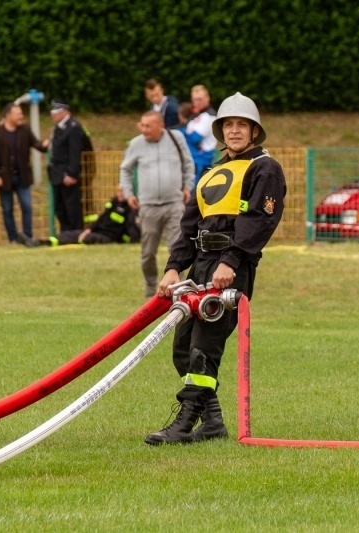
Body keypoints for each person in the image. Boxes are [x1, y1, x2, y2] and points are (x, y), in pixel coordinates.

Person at [147, 92, 286, 446]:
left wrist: (231, 260)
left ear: (254, 132)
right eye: (229, 125)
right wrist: (174, 267)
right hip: (200, 266)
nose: (235, 131)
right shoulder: (211, 172)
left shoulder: (264, 168)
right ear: (221, 131)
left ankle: (184, 422)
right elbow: (190, 225)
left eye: (242, 125)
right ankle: (212, 423)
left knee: (204, 345)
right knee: (183, 347)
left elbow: (259, 220)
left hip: (231, 267)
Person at [120, 110, 194, 298]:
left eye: (148, 126)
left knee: (178, 249)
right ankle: (150, 288)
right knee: (148, 253)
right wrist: (129, 194)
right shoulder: (136, 144)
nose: (144, 129)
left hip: (174, 203)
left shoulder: (176, 138)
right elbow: (125, 169)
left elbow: (188, 163)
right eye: (142, 125)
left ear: (160, 125)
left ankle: (179, 291)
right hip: (149, 206)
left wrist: (187, 186)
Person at [0, 103, 48, 244]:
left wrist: (45, 145)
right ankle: (13, 238)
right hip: (4, 178)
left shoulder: (25, 130)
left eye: (21, 113)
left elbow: (36, 143)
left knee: (26, 206)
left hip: (22, 176)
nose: (21, 116)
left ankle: (27, 236)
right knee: (7, 209)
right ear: (8, 115)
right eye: (18, 114)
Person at [20, 186, 139, 247]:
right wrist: (89, 229)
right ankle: (39, 242)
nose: (120, 194)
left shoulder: (130, 208)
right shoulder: (114, 202)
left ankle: (39, 244)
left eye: (122, 192)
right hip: (97, 231)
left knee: (81, 239)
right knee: (68, 234)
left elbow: (131, 228)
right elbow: (101, 218)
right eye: (118, 191)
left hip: (108, 237)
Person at [48, 100, 87, 233]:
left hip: (67, 175)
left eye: (56, 113)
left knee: (72, 208)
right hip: (57, 174)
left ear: (64, 112)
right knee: (60, 208)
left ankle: (75, 234)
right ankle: (65, 234)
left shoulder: (73, 127)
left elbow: (75, 152)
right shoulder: (58, 127)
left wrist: (71, 173)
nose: (53, 116)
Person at [184, 84, 217, 187]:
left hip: (202, 161)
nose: (197, 102)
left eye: (200, 99)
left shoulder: (209, 116)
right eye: (195, 100)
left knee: (196, 193)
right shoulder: (197, 115)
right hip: (193, 160)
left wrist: (183, 133)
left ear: (208, 98)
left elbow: (194, 138)